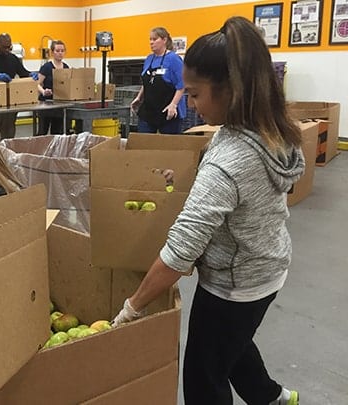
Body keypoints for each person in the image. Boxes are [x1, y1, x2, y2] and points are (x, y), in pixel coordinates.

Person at [112, 16, 303, 405]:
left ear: (230, 90)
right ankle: (273, 397)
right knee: (233, 343)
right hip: (266, 265)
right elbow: (243, 192)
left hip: (234, 284)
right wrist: (189, 180)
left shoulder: (229, 160)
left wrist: (132, 307)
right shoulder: (269, 129)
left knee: (203, 376)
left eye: (195, 94)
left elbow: (180, 252)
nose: (191, 105)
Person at [0, 33, 36, 140]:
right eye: (4, 47)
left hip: (9, 100)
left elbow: (22, 72)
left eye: (9, 47)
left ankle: (6, 150)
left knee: (8, 133)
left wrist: (30, 75)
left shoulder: (13, 58)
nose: (7, 50)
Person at [130, 27, 186, 134]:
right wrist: (138, 97)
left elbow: (182, 84)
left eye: (155, 39)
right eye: (150, 39)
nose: (151, 42)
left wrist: (173, 105)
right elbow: (147, 81)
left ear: (164, 40)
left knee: (168, 143)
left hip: (167, 110)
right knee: (143, 141)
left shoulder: (173, 59)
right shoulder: (149, 59)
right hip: (149, 110)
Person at [36, 40, 68, 135]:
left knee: (57, 132)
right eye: (57, 51)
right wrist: (43, 91)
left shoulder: (66, 68)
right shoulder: (46, 67)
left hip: (59, 105)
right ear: (52, 52)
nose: (60, 53)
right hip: (45, 104)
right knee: (43, 132)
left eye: (62, 51)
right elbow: (37, 84)